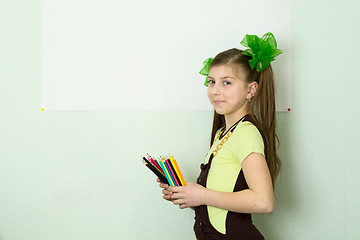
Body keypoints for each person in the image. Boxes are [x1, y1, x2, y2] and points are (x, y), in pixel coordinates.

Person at [158, 32, 282, 240]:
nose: (215, 91)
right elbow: (219, 203)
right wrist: (188, 195)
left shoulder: (246, 133)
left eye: (226, 83)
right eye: (211, 82)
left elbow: (264, 202)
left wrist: (203, 195)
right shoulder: (222, 133)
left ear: (251, 90)